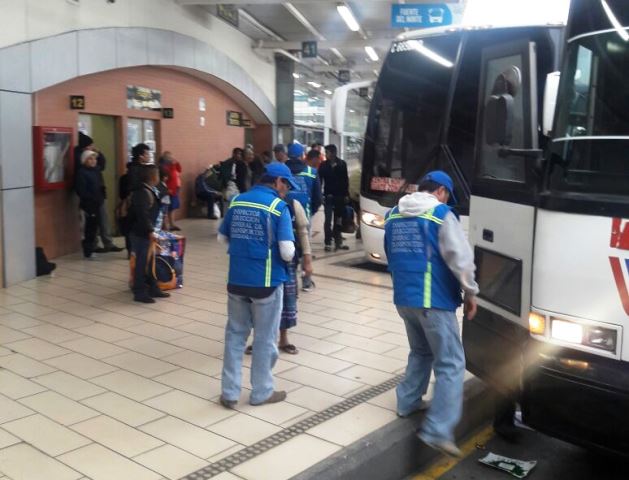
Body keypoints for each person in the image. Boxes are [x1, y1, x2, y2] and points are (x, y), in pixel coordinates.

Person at [384, 170, 479, 458]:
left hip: (404, 298)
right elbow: (460, 258)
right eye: (447, 195)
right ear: (440, 191)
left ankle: (408, 402)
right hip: (434, 301)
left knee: (421, 351)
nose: (446, 200)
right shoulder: (440, 215)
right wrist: (471, 291)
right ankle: (438, 430)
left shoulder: (393, 215)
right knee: (450, 363)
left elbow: (390, 253)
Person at [218, 162, 298, 408]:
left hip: (237, 280)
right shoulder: (278, 207)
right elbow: (287, 252)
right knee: (264, 338)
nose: (285, 191)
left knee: (235, 336)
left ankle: (229, 393)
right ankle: (262, 392)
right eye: (286, 186)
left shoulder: (238, 201)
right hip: (266, 283)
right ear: (277, 182)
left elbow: (223, 238)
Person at [74, 132, 122, 253]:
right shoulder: (81, 169)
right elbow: (82, 189)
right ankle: (93, 245)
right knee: (91, 223)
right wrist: (88, 199)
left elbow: (102, 164)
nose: (94, 160)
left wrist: (98, 153)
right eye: (90, 145)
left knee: (103, 220)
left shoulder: (95, 169)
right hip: (89, 200)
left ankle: (108, 243)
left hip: (99, 197)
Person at [129, 165, 170, 303]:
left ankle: (153, 287)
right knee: (142, 262)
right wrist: (150, 230)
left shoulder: (151, 190)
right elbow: (142, 215)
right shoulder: (142, 193)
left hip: (148, 232)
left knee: (151, 260)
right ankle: (139, 291)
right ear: (153, 177)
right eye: (157, 175)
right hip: (142, 234)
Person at [319, 144, 350, 252]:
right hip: (328, 196)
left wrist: (346, 195)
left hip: (340, 197)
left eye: (326, 152)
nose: (325, 154)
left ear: (332, 153)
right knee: (327, 220)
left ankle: (338, 241)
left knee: (338, 220)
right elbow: (320, 181)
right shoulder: (323, 165)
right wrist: (320, 195)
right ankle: (327, 242)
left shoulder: (342, 164)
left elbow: (346, 181)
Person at [75, 150, 105, 259]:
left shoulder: (96, 171)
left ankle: (92, 248)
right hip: (88, 205)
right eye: (90, 159)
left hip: (97, 203)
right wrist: (90, 199)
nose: (93, 161)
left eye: (94, 158)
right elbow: (81, 191)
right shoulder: (82, 173)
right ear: (84, 160)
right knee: (89, 228)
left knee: (95, 227)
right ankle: (88, 251)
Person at [159, 151, 182, 231]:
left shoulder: (173, 165)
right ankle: (165, 225)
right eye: (169, 157)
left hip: (175, 189)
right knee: (167, 208)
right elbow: (168, 176)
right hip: (169, 190)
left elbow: (179, 170)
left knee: (173, 207)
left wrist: (177, 163)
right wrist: (172, 165)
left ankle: (172, 224)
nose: (171, 158)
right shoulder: (164, 166)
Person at [348, 167, 362, 240]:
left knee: (359, 214)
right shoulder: (361, 174)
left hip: (353, 197)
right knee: (360, 213)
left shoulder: (355, 172)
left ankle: (359, 228)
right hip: (360, 198)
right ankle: (360, 229)